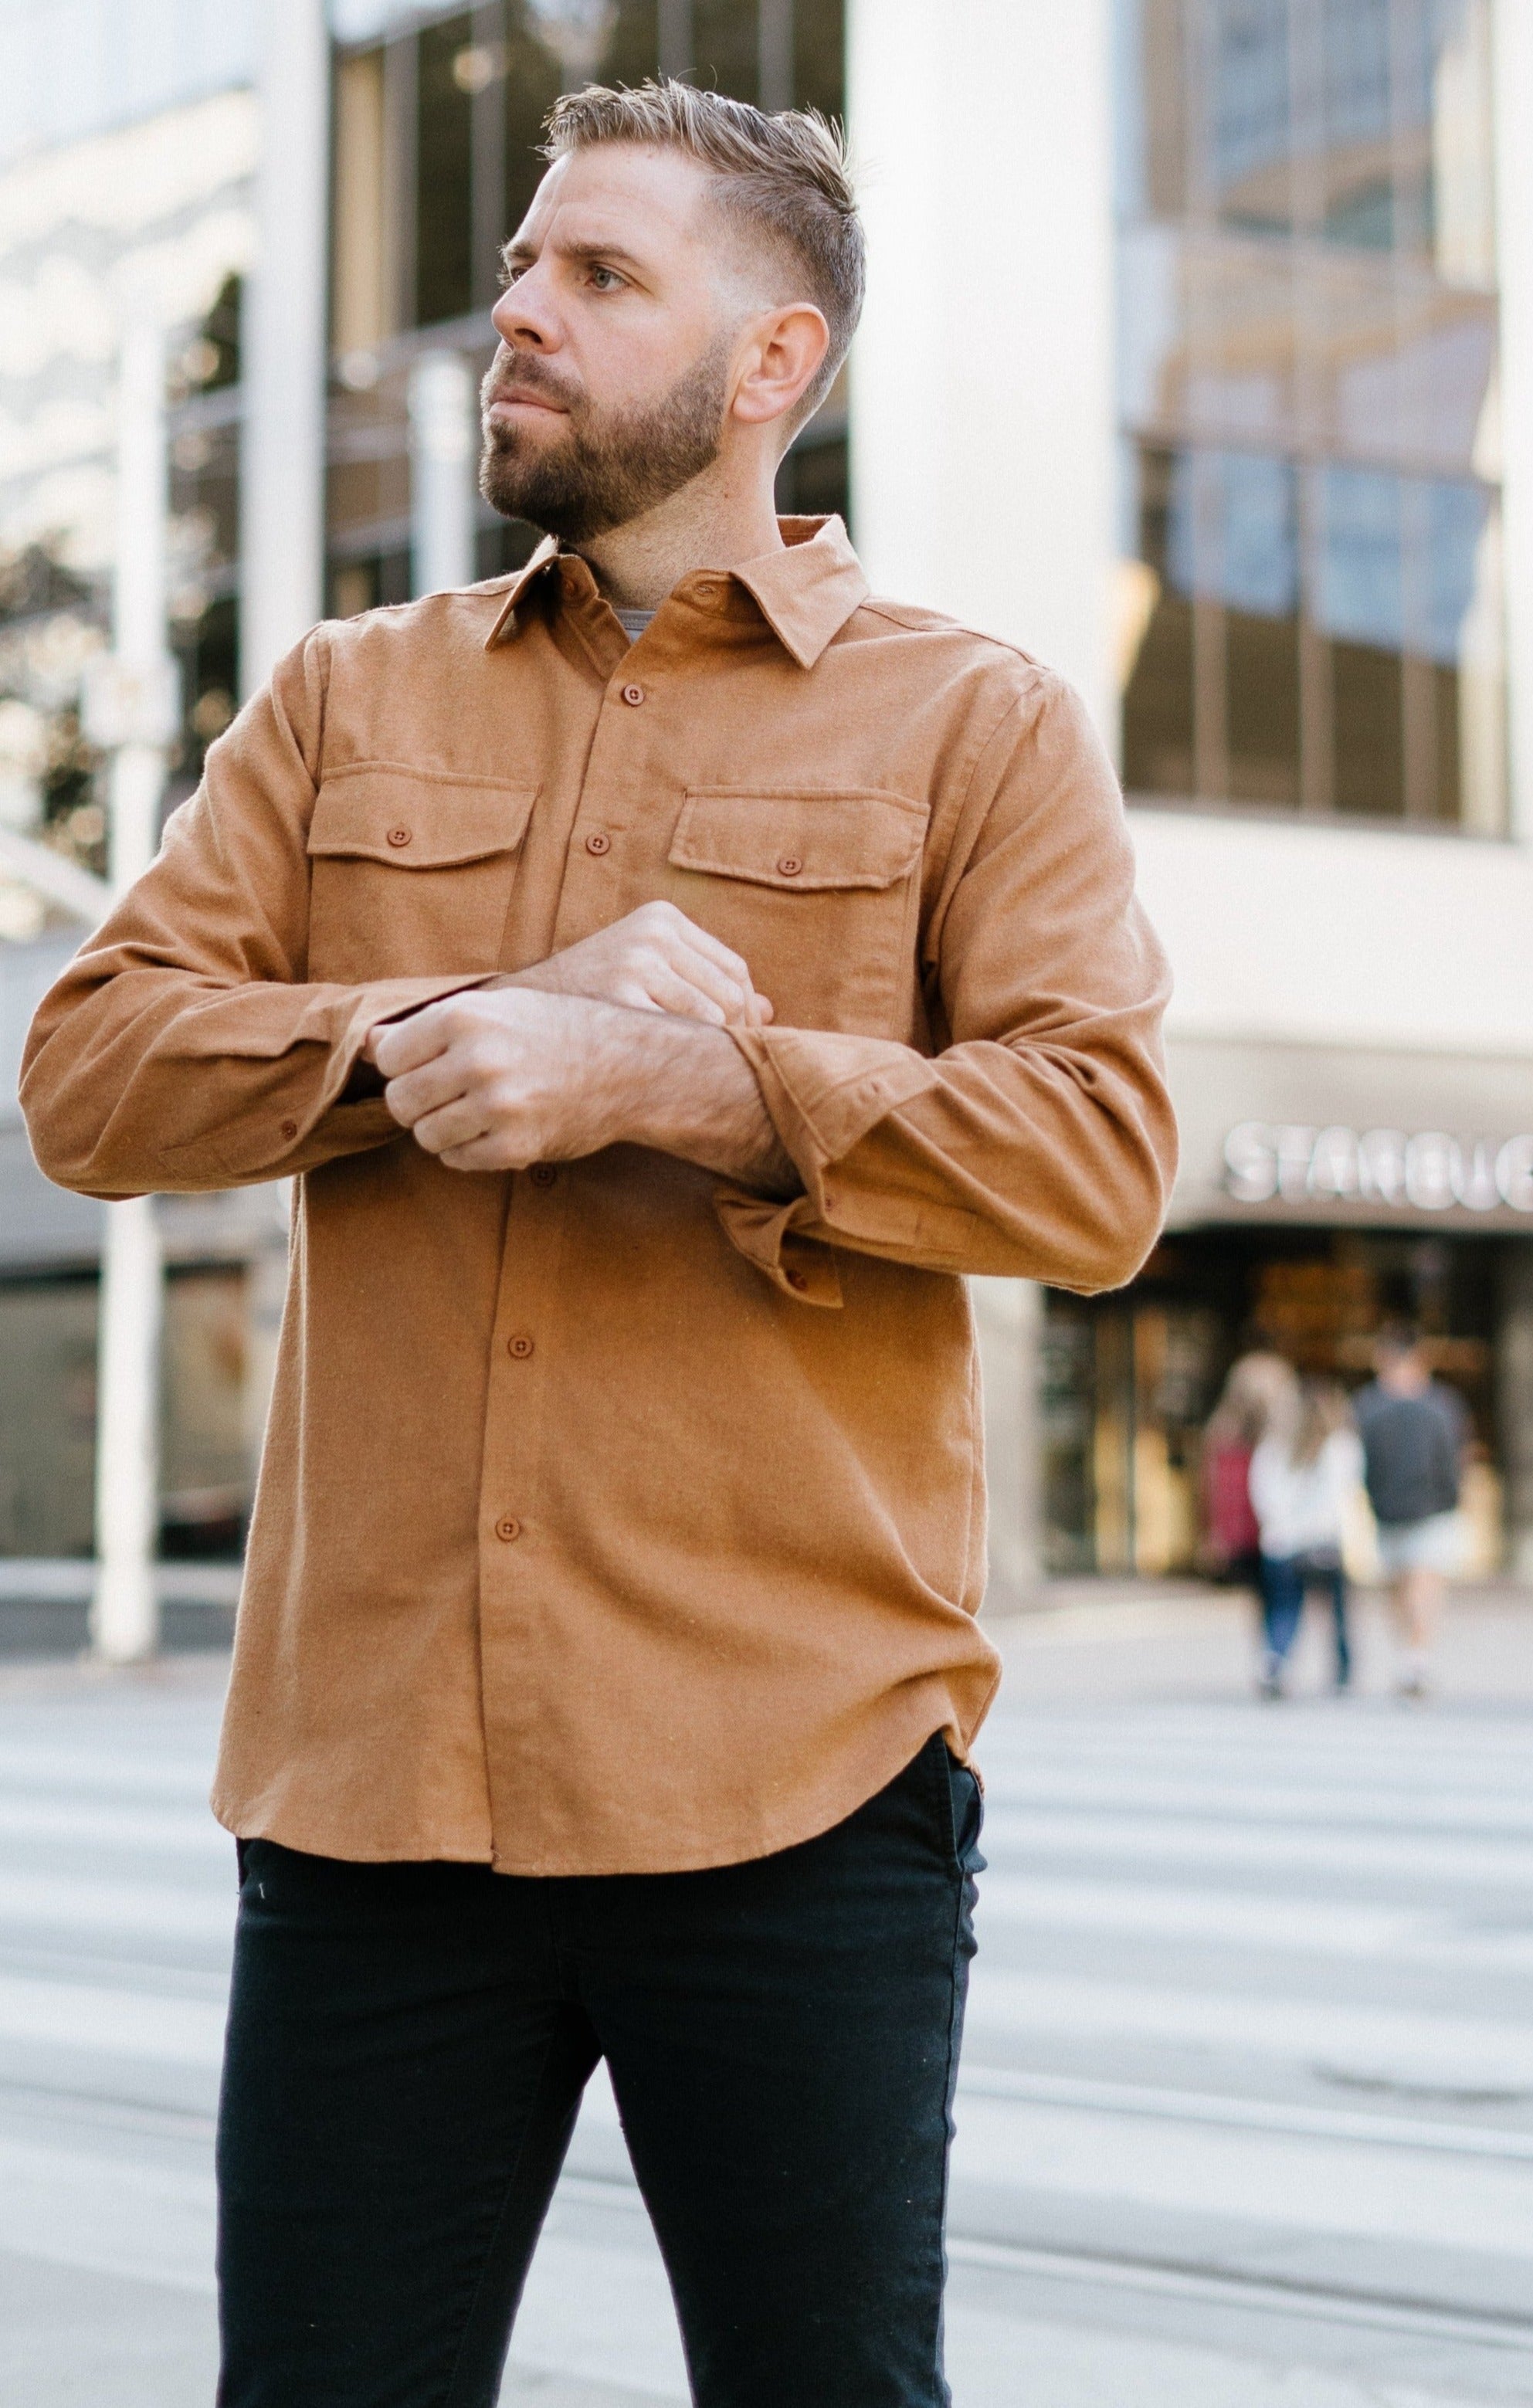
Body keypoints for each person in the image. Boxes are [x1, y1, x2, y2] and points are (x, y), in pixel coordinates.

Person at [20, 83, 1175, 2408]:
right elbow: (90, 1073)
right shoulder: (344, 697)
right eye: (525, 266)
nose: (516, 313)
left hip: (796, 1783)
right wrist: (449, 1020)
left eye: (598, 278)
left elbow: (1096, 1160)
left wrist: (696, 1083)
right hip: (370, 1802)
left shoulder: (975, 721)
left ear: (772, 363)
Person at [1354, 1324, 1470, 1701]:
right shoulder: (1442, 1404)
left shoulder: (1367, 1406)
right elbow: (1455, 1458)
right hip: (1430, 1507)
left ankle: (1411, 1656)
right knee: (1423, 1586)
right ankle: (1415, 1657)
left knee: (1402, 1587)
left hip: (1389, 1510)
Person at [1248, 1380, 1362, 1698]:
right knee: (1337, 1611)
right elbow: (1346, 1496)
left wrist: (1278, 1527)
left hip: (1282, 1545)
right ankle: (1342, 1670)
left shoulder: (1273, 1448)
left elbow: (1262, 1495)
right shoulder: (1341, 1447)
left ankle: (1274, 1662)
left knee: (1284, 1609)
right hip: (1324, 1544)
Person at [1200, 1350, 1298, 1592]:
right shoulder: (1228, 1437)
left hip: (1272, 1535)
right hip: (1254, 1538)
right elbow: (1212, 1490)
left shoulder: (1224, 1434)